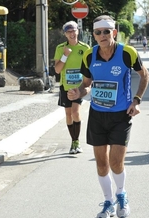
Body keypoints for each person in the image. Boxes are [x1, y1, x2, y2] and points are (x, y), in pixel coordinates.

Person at [67, 15, 149, 218]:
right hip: (97, 114)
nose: (102, 35)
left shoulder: (127, 53)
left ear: (114, 32)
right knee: (101, 163)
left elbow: (145, 74)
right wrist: (78, 92)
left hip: (121, 115)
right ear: (94, 35)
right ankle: (108, 202)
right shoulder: (89, 56)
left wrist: (137, 100)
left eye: (106, 31)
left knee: (115, 162)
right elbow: (87, 84)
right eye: (98, 32)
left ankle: (121, 195)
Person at [54, 21, 90, 154]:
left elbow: (90, 68)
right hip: (65, 87)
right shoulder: (60, 48)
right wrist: (65, 55)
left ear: (78, 31)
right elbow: (57, 70)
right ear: (65, 34)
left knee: (75, 112)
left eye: (74, 30)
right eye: (69, 32)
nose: (72, 33)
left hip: (79, 86)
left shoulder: (85, 48)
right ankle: (73, 141)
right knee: (68, 115)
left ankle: (77, 141)